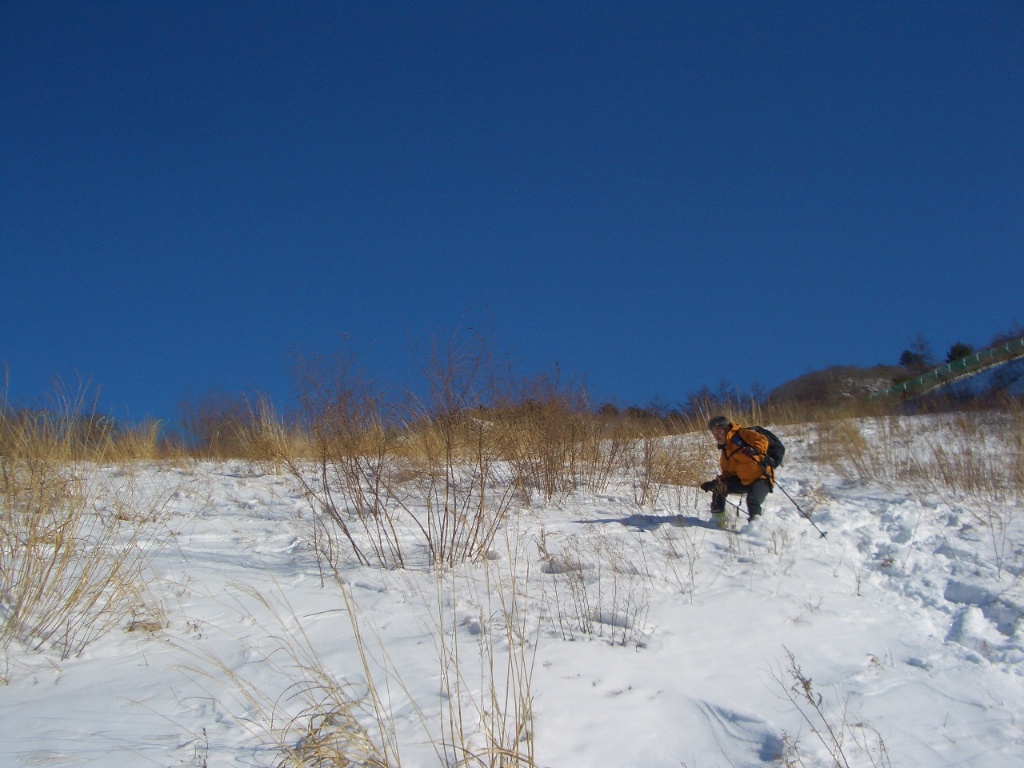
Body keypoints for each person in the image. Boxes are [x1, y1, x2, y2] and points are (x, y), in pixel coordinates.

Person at [699, 415, 775, 528]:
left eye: (719, 431)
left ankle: (757, 530)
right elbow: (728, 474)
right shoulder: (725, 451)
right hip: (743, 482)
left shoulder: (742, 434)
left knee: (752, 500)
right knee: (719, 488)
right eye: (714, 434)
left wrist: (755, 450)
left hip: (761, 479)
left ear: (726, 429)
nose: (716, 436)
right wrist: (714, 483)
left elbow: (762, 439)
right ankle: (718, 524)